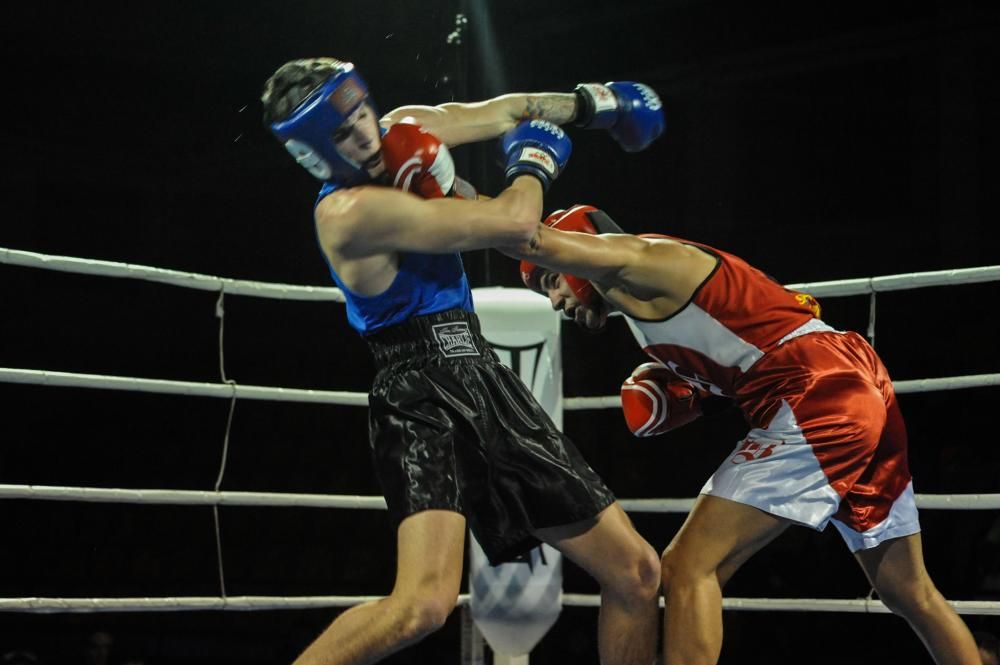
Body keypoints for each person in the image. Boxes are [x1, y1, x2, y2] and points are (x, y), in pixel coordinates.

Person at [261, 58, 666, 665]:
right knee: (422, 606)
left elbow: (508, 109)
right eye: (344, 133)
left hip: (478, 366)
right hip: (418, 387)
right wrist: (533, 160)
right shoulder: (347, 214)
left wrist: (594, 105)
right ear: (315, 153)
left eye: (362, 113)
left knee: (636, 572)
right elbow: (514, 223)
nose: (367, 135)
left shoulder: (402, 129)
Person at [513, 204, 983, 664]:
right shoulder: (638, 295)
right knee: (907, 589)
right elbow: (745, 346)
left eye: (551, 279)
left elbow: (533, 236)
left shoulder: (639, 259)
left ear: (578, 249)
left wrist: (458, 204)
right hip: (844, 377)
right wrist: (684, 391)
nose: (555, 300)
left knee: (688, 567)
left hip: (816, 388)